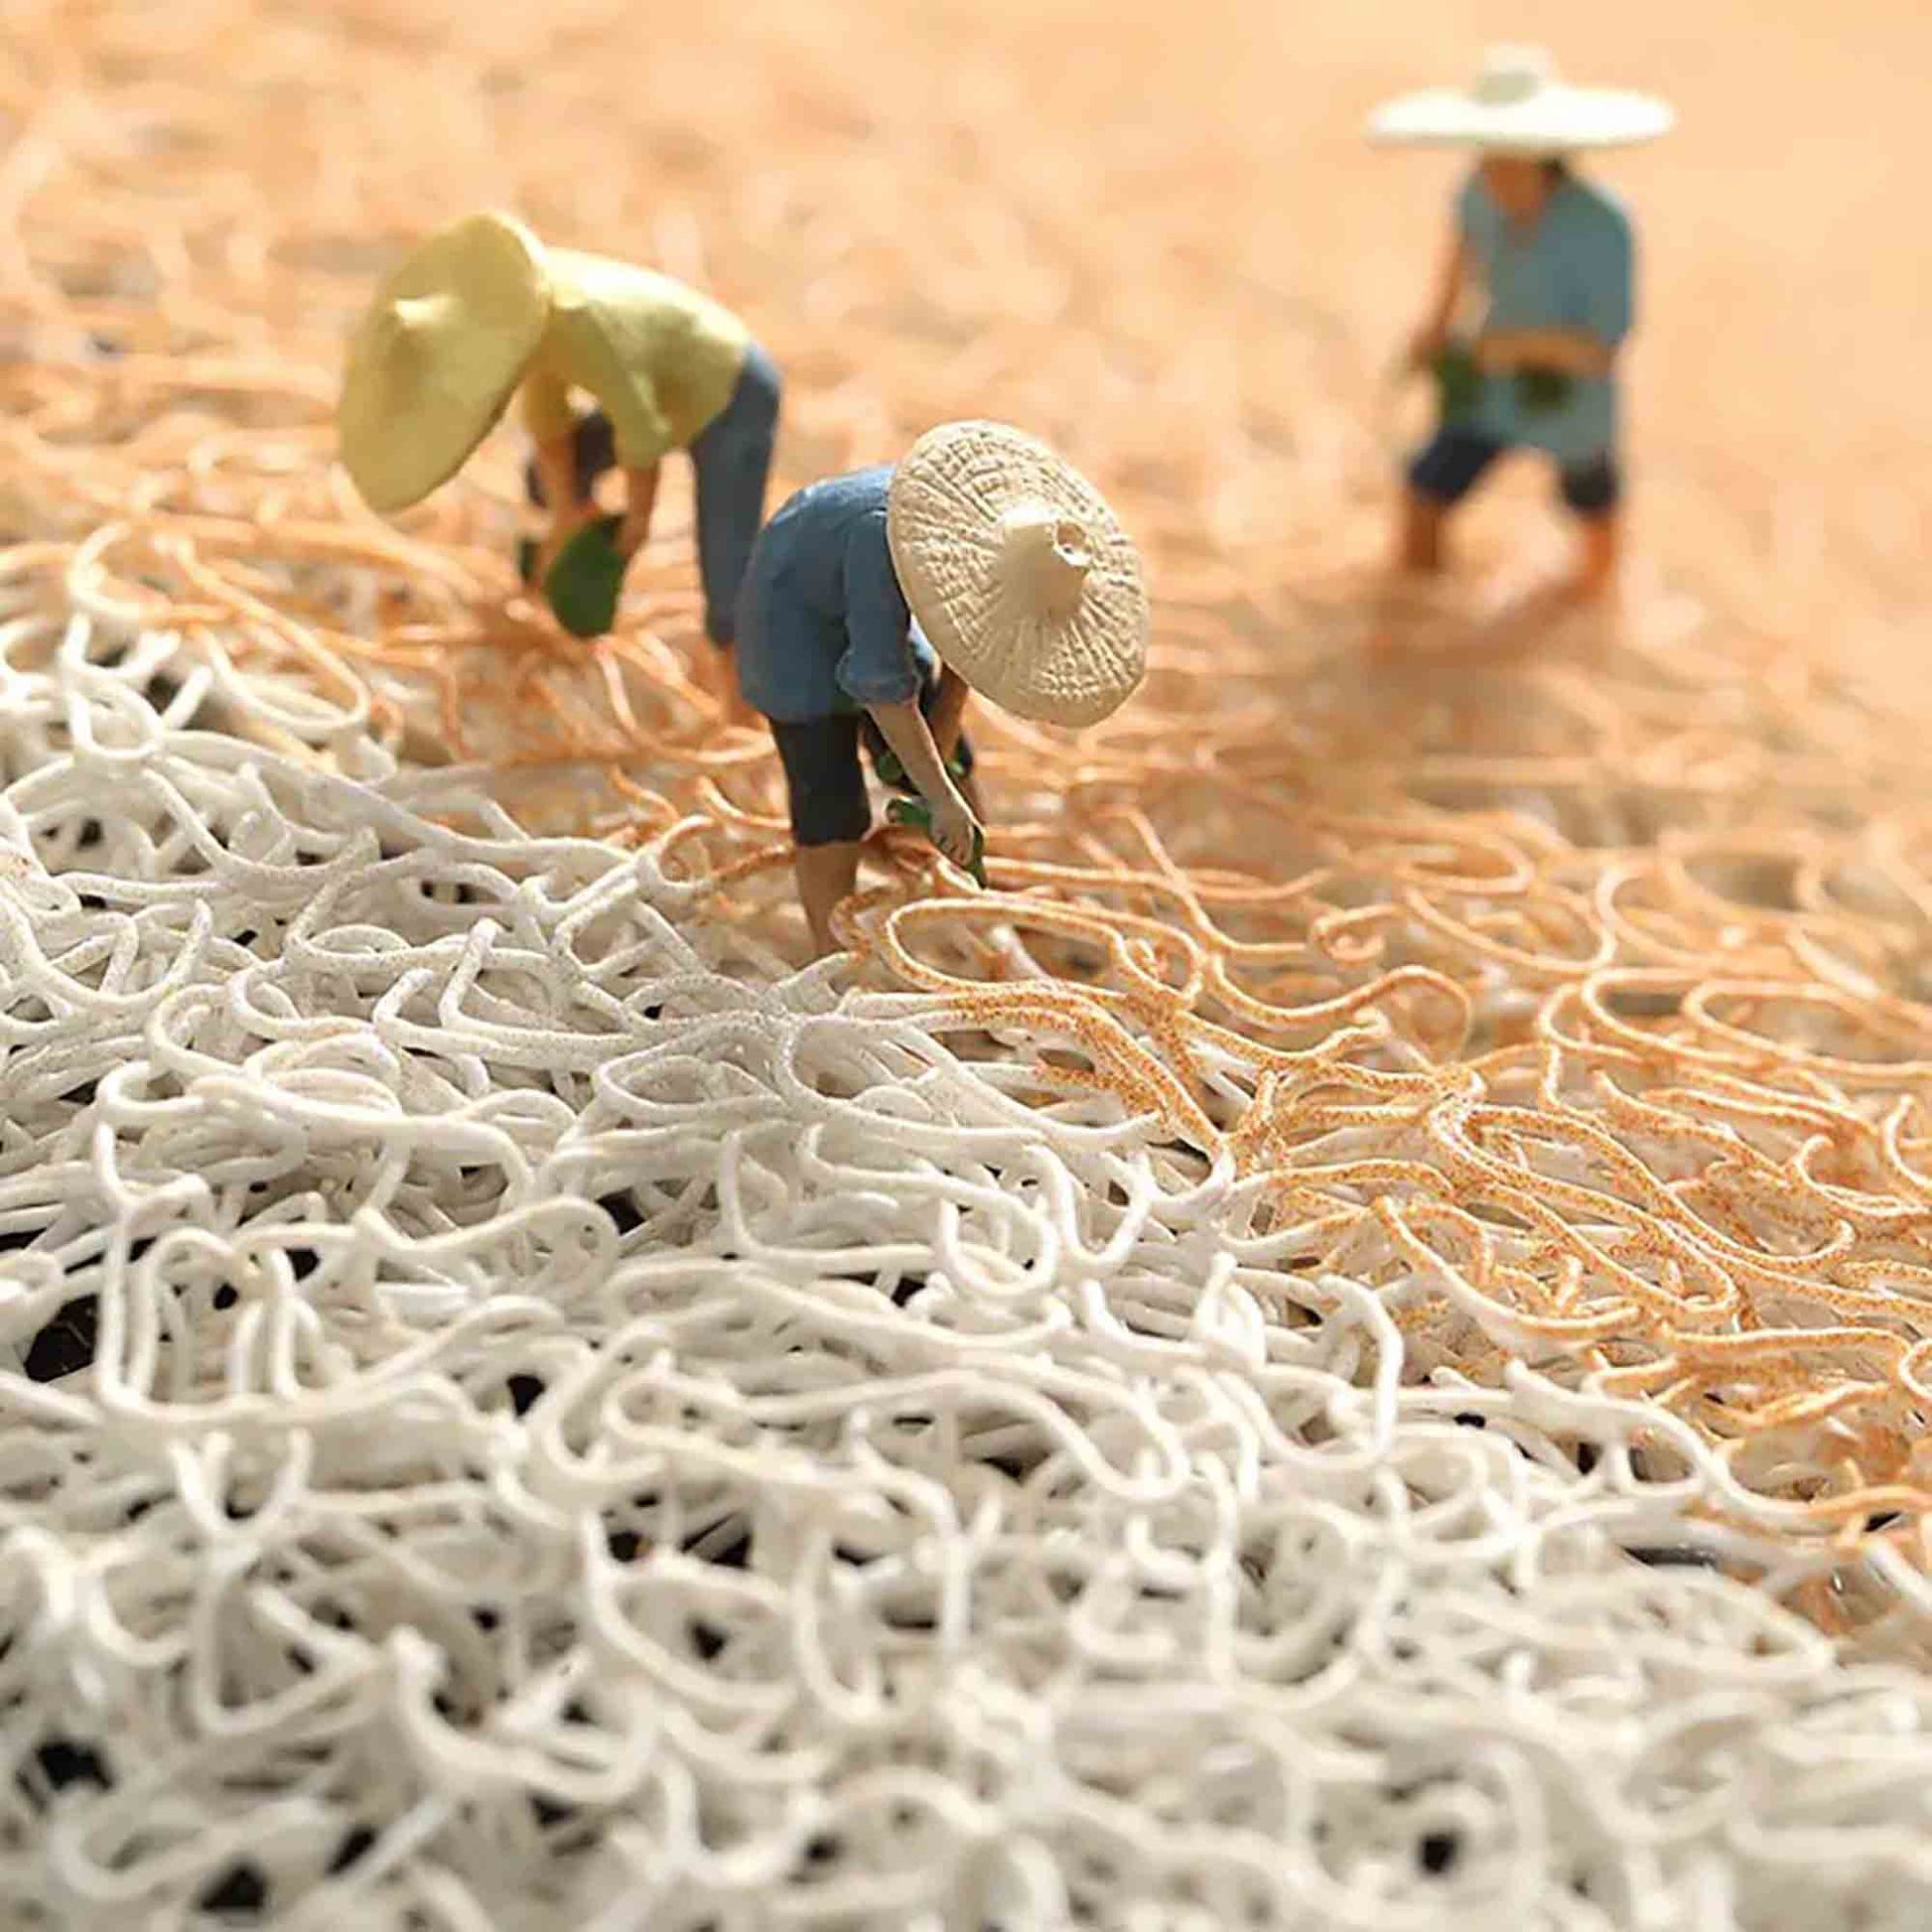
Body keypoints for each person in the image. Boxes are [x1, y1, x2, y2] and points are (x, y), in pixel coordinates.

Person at [337, 210, 779, 713]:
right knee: (542, 481)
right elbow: (550, 429)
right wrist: (566, 519)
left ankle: (744, 697)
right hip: (666, 389)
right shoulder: (520, 318)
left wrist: (633, 530)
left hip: (730, 392)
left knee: (726, 569)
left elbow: (642, 433)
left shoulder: (578, 320)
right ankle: (572, 558)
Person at [736, 421, 1151, 956]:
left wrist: (942, 766)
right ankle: (832, 946)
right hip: (792, 633)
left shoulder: (981, 534)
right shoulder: (879, 540)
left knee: (946, 754)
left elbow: (969, 641)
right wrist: (938, 798)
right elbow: (882, 688)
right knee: (830, 796)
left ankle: (976, 883)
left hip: (867, 608)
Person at [1367, 47, 1673, 605]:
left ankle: (1596, 604)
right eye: (1489, 157)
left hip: (1575, 398)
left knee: (1592, 510)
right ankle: (1416, 606)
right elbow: (1458, 263)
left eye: (1511, 161)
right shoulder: (1476, 194)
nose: (1496, 176)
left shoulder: (1604, 226)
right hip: (1490, 384)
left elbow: (1605, 346)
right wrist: (1433, 331)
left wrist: (1513, 347)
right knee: (1425, 488)